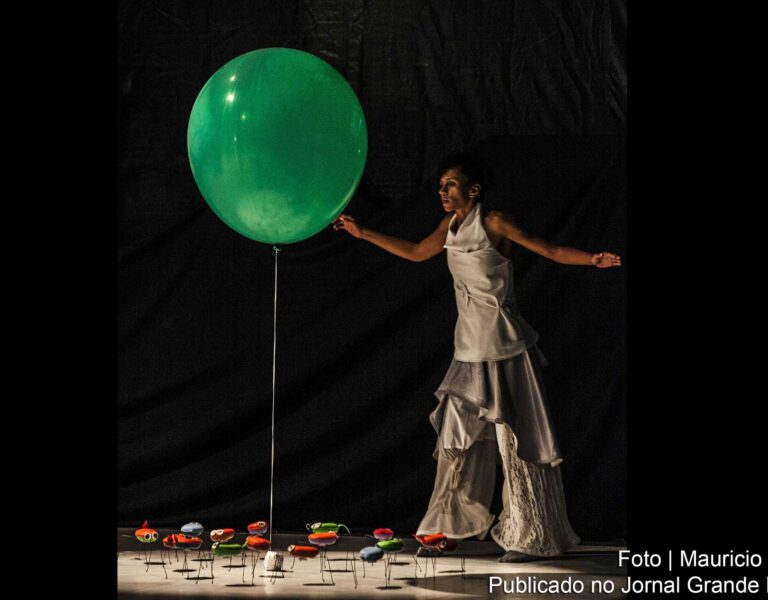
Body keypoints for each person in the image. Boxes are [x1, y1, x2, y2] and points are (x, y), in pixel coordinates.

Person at [333, 153, 621, 562]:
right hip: (468, 350)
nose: (442, 192)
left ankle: (532, 536)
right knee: (455, 441)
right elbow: (416, 252)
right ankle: (443, 532)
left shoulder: (494, 223)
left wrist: (592, 259)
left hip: (504, 348)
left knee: (516, 443)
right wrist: (364, 234)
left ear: (473, 189)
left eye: (450, 185)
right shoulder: (448, 227)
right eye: (440, 186)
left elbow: (551, 250)